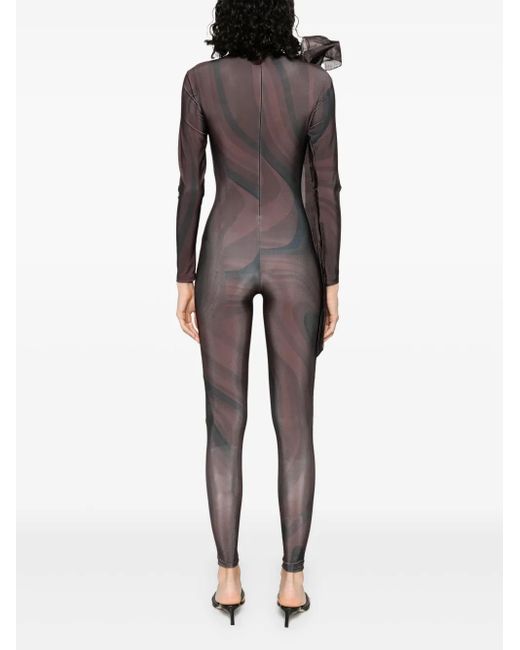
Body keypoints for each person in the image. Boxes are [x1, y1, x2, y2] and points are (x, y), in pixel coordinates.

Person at [175, 0, 342, 627]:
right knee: (295, 427)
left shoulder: (200, 80)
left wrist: (184, 274)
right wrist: (332, 279)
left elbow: (192, 185)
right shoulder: (315, 84)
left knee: (224, 427)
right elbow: (326, 189)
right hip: (297, 258)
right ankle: (292, 584)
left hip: (224, 253)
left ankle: (228, 579)